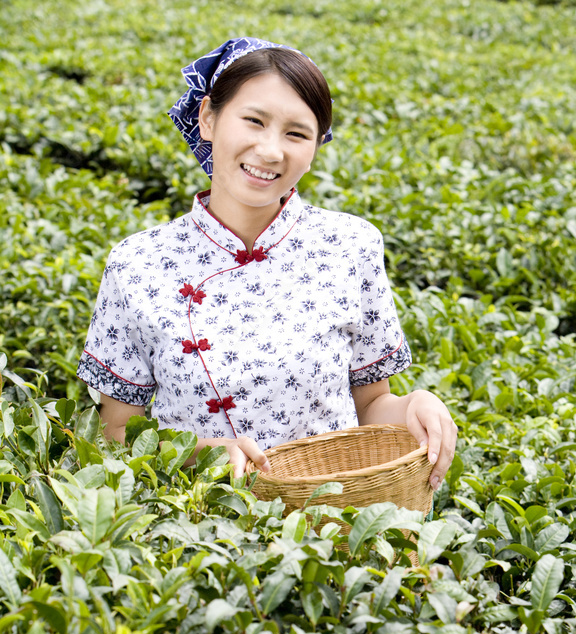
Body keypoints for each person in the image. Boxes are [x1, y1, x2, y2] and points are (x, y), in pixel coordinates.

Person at [77, 37, 457, 491]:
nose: (271, 151)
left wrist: (416, 405)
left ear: (317, 144)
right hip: (198, 535)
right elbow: (114, 433)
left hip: (333, 526)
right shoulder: (137, 264)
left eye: (296, 133)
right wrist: (198, 453)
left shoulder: (351, 246)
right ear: (208, 119)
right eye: (254, 121)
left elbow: (372, 406)